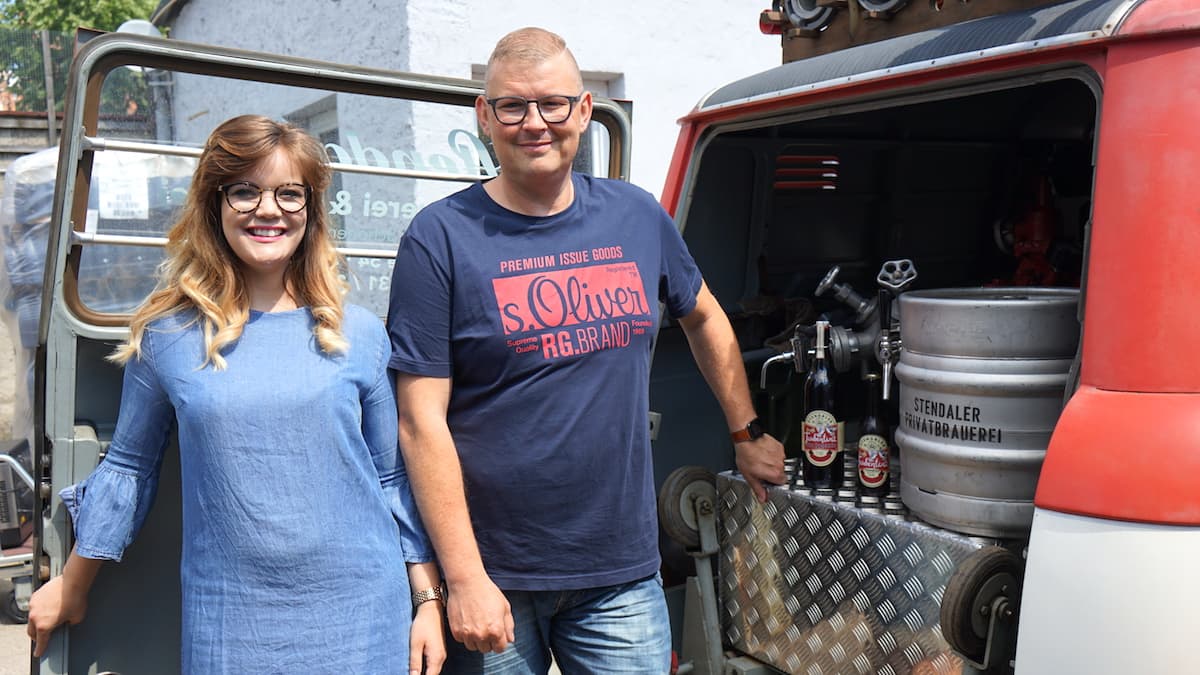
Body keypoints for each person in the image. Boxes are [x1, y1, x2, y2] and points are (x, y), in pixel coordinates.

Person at [386, 27, 786, 673]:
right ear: (484, 117)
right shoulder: (440, 238)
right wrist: (461, 579)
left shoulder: (636, 215)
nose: (534, 123)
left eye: (552, 104)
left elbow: (705, 315)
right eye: (512, 106)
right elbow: (418, 419)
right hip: (495, 575)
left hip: (618, 575)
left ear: (583, 112)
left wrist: (745, 430)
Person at [26, 115, 446, 675]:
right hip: (230, 619)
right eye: (244, 190)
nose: (267, 209)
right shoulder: (168, 336)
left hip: (363, 615)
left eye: (288, 193)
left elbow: (392, 480)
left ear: (311, 210)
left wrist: (427, 604)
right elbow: (129, 469)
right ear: (214, 203)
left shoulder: (360, 332)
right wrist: (71, 585)